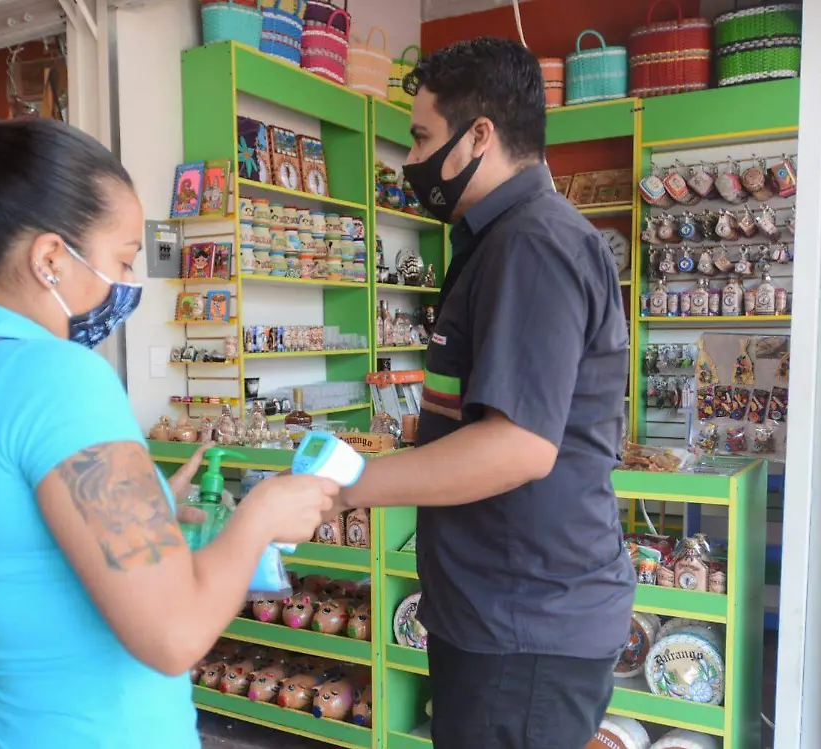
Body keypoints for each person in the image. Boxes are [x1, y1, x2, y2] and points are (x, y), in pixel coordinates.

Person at [0, 110, 338, 749]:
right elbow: (174, 635)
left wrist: (152, 505)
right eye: (124, 260)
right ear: (51, 257)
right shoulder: (56, 376)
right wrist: (260, 516)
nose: (129, 285)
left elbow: (6, 549)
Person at [329, 39, 634, 749]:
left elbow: (517, 447)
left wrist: (348, 487)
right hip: (500, 613)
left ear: (479, 136)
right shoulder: (499, 241)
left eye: (421, 137)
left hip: (523, 626)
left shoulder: (532, 244)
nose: (410, 160)